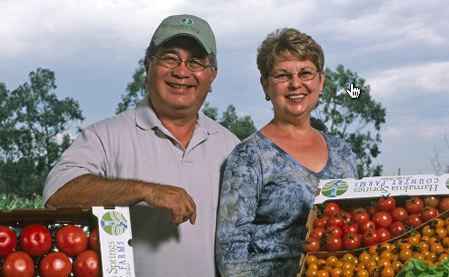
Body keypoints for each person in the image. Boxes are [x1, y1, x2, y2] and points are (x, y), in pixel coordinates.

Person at [43, 14, 239, 277]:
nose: (182, 71)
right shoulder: (106, 136)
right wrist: (144, 191)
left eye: (195, 62)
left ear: (211, 76)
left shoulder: (231, 146)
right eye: (169, 57)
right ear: (148, 66)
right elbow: (56, 195)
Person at [215, 28, 358, 276]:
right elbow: (231, 259)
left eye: (305, 73)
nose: (295, 83)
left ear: (321, 81)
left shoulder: (342, 152)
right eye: (282, 75)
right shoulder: (248, 156)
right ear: (265, 85)